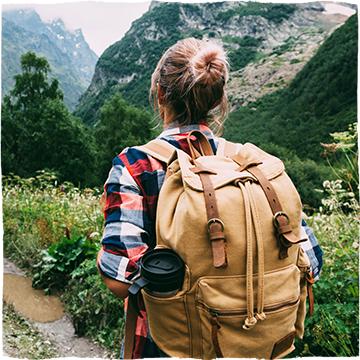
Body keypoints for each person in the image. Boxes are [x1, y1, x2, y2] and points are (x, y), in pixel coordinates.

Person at [96, 37, 323, 359]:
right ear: (218, 100)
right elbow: (310, 262)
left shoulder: (137, 165)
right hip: (258, 345)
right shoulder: (251, 164)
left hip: (168, 345)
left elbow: (120, 280)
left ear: (160, 94)